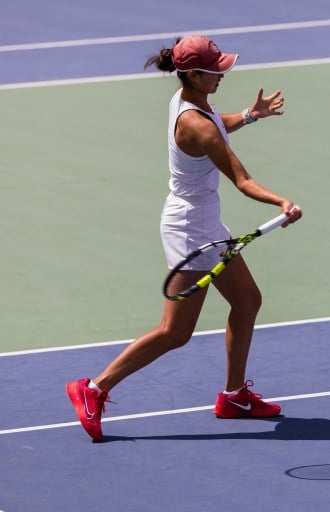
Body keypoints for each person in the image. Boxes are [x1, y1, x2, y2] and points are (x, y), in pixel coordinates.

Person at [66, 35, 302, 442]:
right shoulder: (194, 122)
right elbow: (242, 180)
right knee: (175, 333)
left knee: (247, 302)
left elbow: (216, 130)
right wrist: (281, 201)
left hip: (204, 221)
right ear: (193, 74)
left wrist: (248, 115)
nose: (223, 75)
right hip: (191, 229)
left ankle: (234, 396)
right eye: (216, 71)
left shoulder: (191, 101)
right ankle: (93, 389)